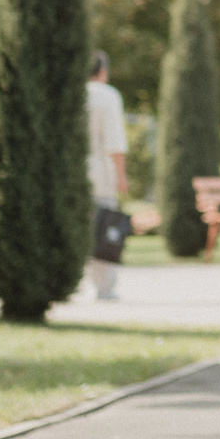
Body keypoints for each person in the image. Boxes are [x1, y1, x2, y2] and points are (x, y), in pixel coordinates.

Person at [85, 52, 128, 302]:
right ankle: (103, 288)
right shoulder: (107, 95)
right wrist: (121, 175)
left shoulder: (71, 93)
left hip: (74, 173)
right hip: (101, 174)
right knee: (104, 229)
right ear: (103, 71)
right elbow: (114, 141)